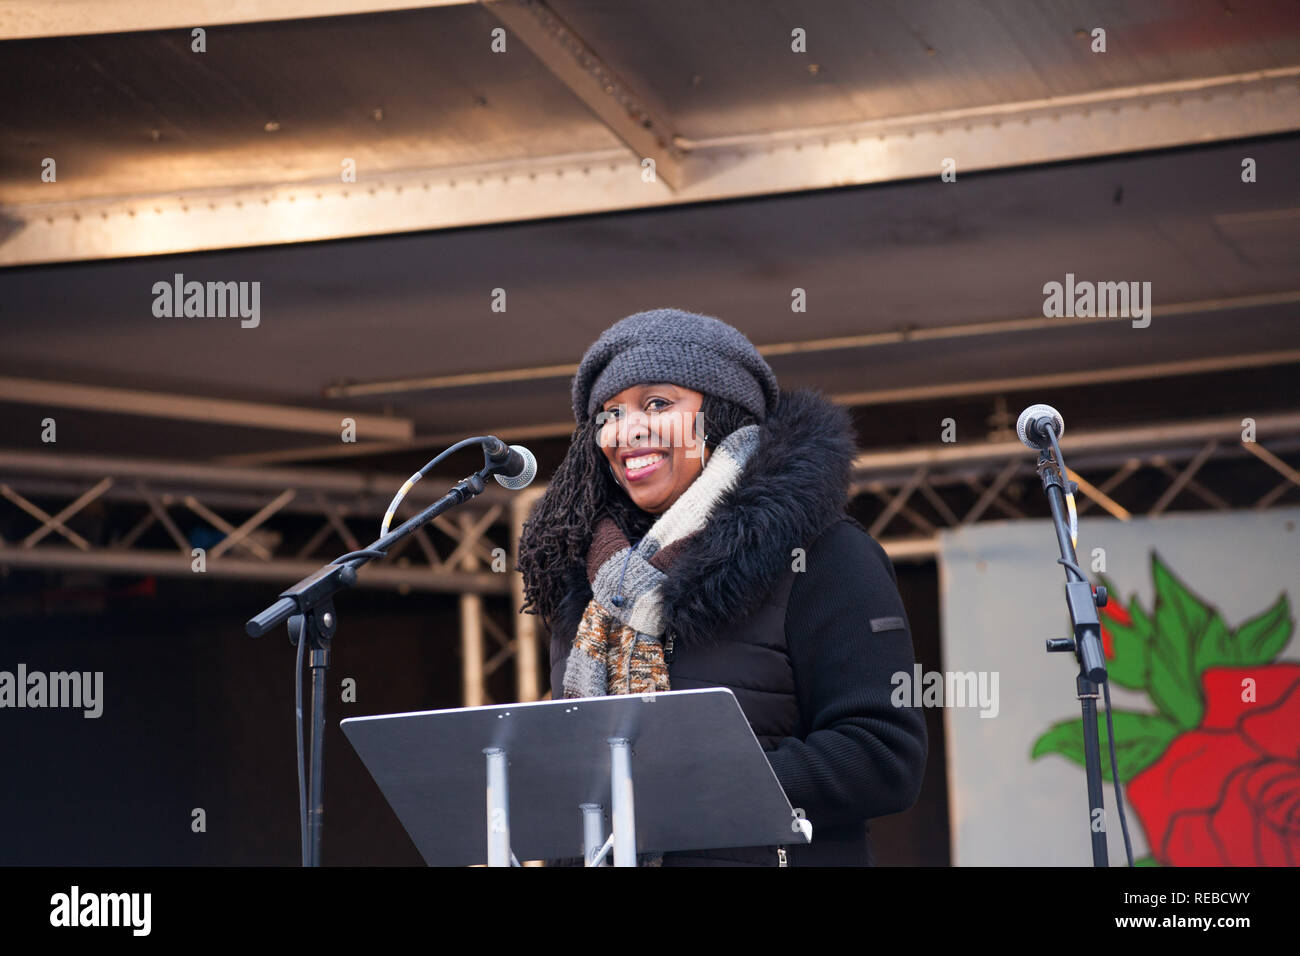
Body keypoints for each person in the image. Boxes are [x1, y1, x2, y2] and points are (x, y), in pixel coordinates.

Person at [516, 307, 927, 865]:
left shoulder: (825, 556)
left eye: (658, 404)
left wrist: (692, 786)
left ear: (723, 413)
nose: (626, 429)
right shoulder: (587, 579)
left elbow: (884, 757)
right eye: (609, 413)